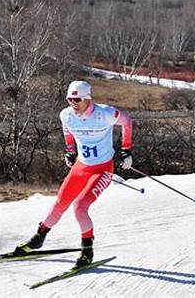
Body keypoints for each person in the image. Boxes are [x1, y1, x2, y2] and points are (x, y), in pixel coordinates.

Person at [14, 80, 133, 268]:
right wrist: (70, 150)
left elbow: (126, 122)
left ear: (87, 98)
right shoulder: (66, 115)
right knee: (60, 203)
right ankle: (38, 238)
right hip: (81, 167)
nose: (72, 103)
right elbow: (67, 130)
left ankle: (87, 251)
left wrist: (126, 150)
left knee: (79, 207)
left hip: (102, 170)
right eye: (69, 99)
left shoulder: (105, 114)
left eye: (76, 99)